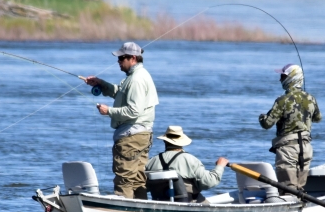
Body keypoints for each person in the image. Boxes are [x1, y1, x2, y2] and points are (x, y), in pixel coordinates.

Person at [84, 42, 158, 199]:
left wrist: (108, 111)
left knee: (124, 180)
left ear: (132, 58)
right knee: (137, 180)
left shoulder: (136, 80)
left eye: (121, 58)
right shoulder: (137, 76)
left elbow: (133, 111)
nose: (118, 61)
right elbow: (122, 93)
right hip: (142, 135)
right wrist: (102, 84)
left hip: (131, 137)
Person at [259, 63, 321, 190]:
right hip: (306, 149)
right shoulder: (311, 98)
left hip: (288, 151)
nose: (280, 79)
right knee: (300, 189)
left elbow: (267, 124)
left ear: (291, 78)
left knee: (288, 189)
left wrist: (261, 117)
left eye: (282, 76)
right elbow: (318, 118)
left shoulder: (282, 100)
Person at [145, 125, 229, 202]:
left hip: (159, 203)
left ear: (164, 141)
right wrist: (220, 166)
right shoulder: (190, 159)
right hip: (189, 203)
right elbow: (208, 182)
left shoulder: (151, 161)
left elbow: (145, 187)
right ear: (182, 142)